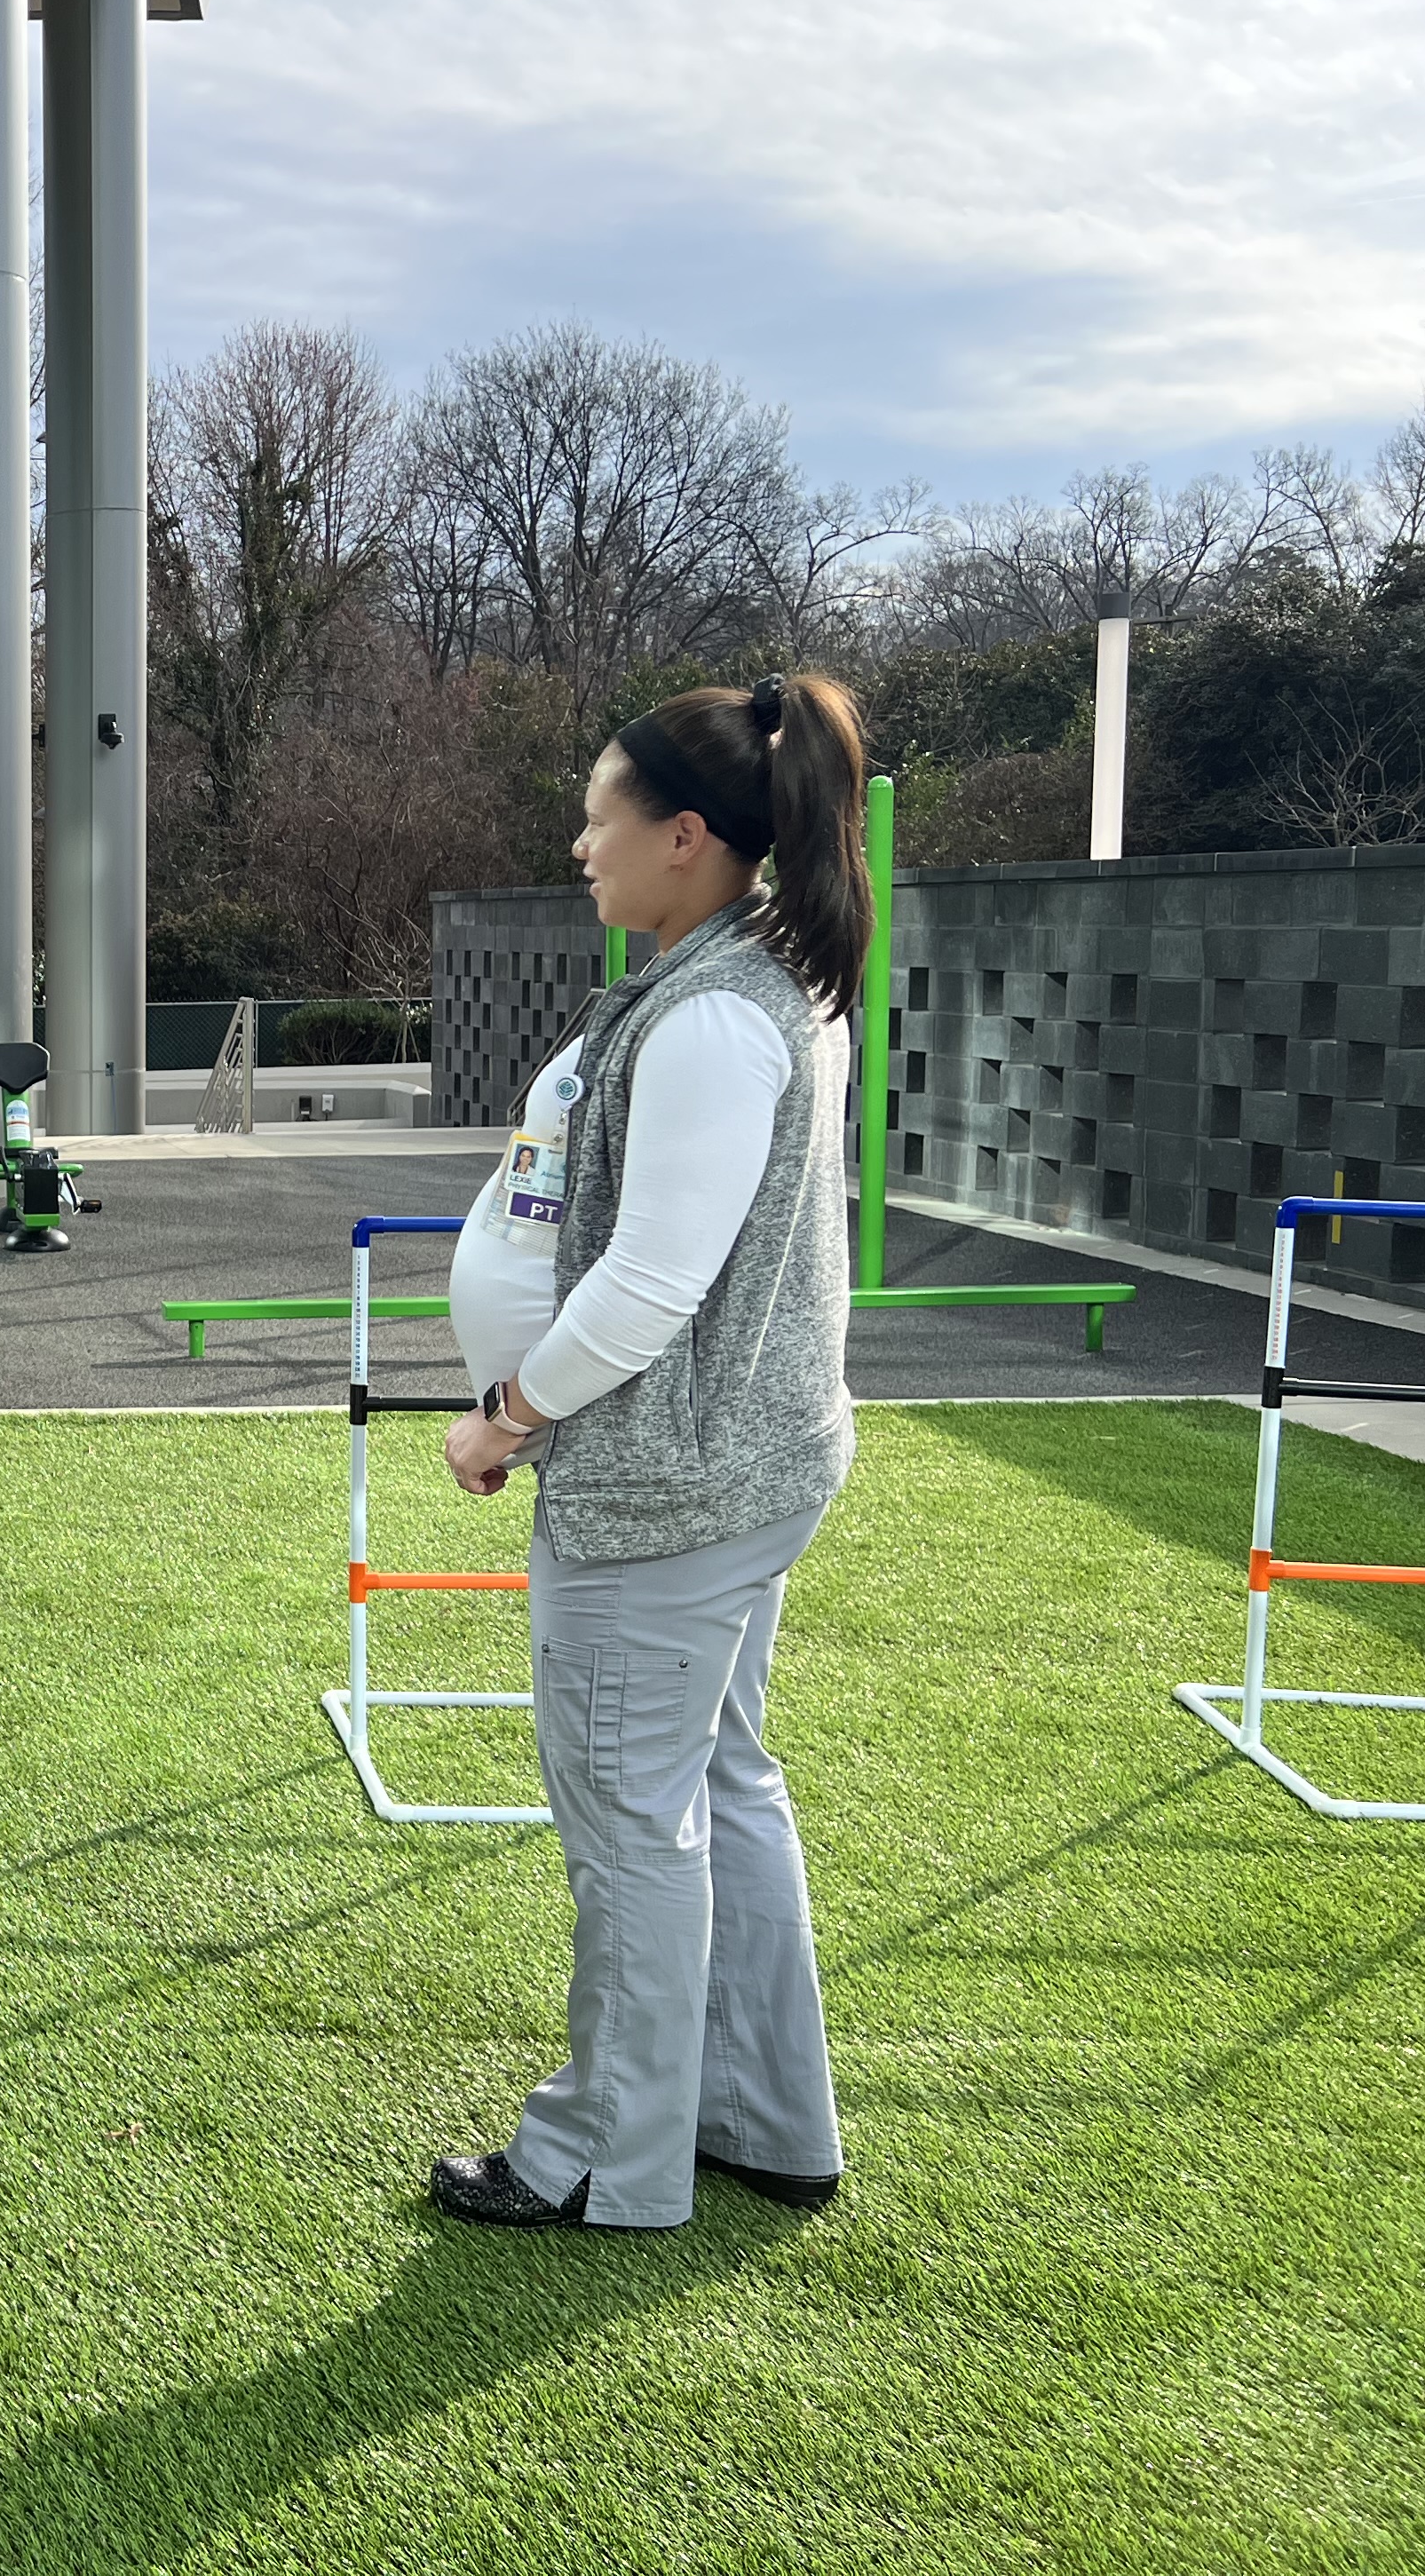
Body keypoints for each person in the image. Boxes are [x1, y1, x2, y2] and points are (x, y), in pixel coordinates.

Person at [428, 670, 871, 2231]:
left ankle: (606, 2155)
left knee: (631, 1815)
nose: (577, 841)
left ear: (687, 835)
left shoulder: (716, 1019)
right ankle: (761, 2115)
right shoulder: (763, 981)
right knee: (715, 1784)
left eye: (601, 815)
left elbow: (647, 1282)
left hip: (666, 1489)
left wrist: (505, 1417)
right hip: (734, 1468)